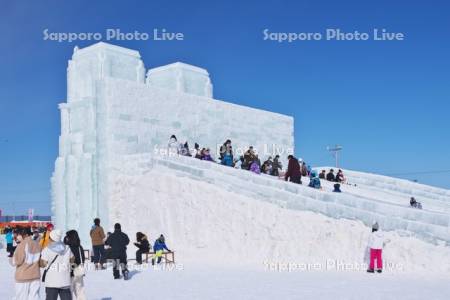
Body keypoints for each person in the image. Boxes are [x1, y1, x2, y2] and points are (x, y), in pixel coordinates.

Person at [40, 229, 74, 300]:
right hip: (65, 280)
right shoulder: (67, 248)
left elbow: (43, 264)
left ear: (51, 238)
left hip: (51, 281)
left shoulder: (47, 249)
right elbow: (72, 260)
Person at [12, 227, 41, 300]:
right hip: (35, 275)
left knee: (21, 297)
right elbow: (40, 260)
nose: (17, 236)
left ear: (24, 235)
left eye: (19, 234)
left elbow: (17, 261)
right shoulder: (37, 243)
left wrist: (11, 259)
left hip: (23, 276)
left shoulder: (22, 244)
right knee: (34, 297)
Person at [64, 230, 86, 300]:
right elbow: (82, 259)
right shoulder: (80, 247)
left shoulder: (67, 248)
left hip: (69, 272)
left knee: (68, 292)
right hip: (79, 272)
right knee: (80, 291)